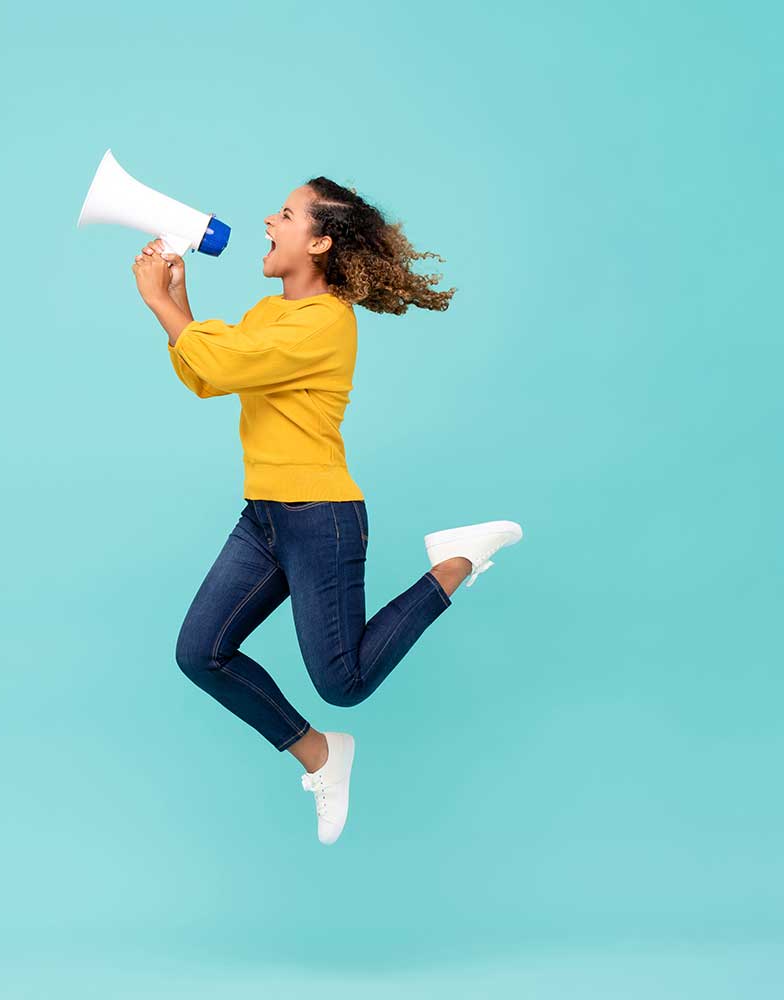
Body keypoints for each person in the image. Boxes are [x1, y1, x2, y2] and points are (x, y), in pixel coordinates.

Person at [131, 178, 522, 845]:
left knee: (344, 683)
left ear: (318, 242)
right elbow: (206, 374)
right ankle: (319, 754)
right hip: (265, 517)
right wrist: (174, 301)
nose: (267, 220)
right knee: (201, 652)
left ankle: (453, 565)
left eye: (284, 215)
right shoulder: (264, 315)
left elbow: (220, 365)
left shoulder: (327, 322)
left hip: (320, 518)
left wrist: (155, 301)